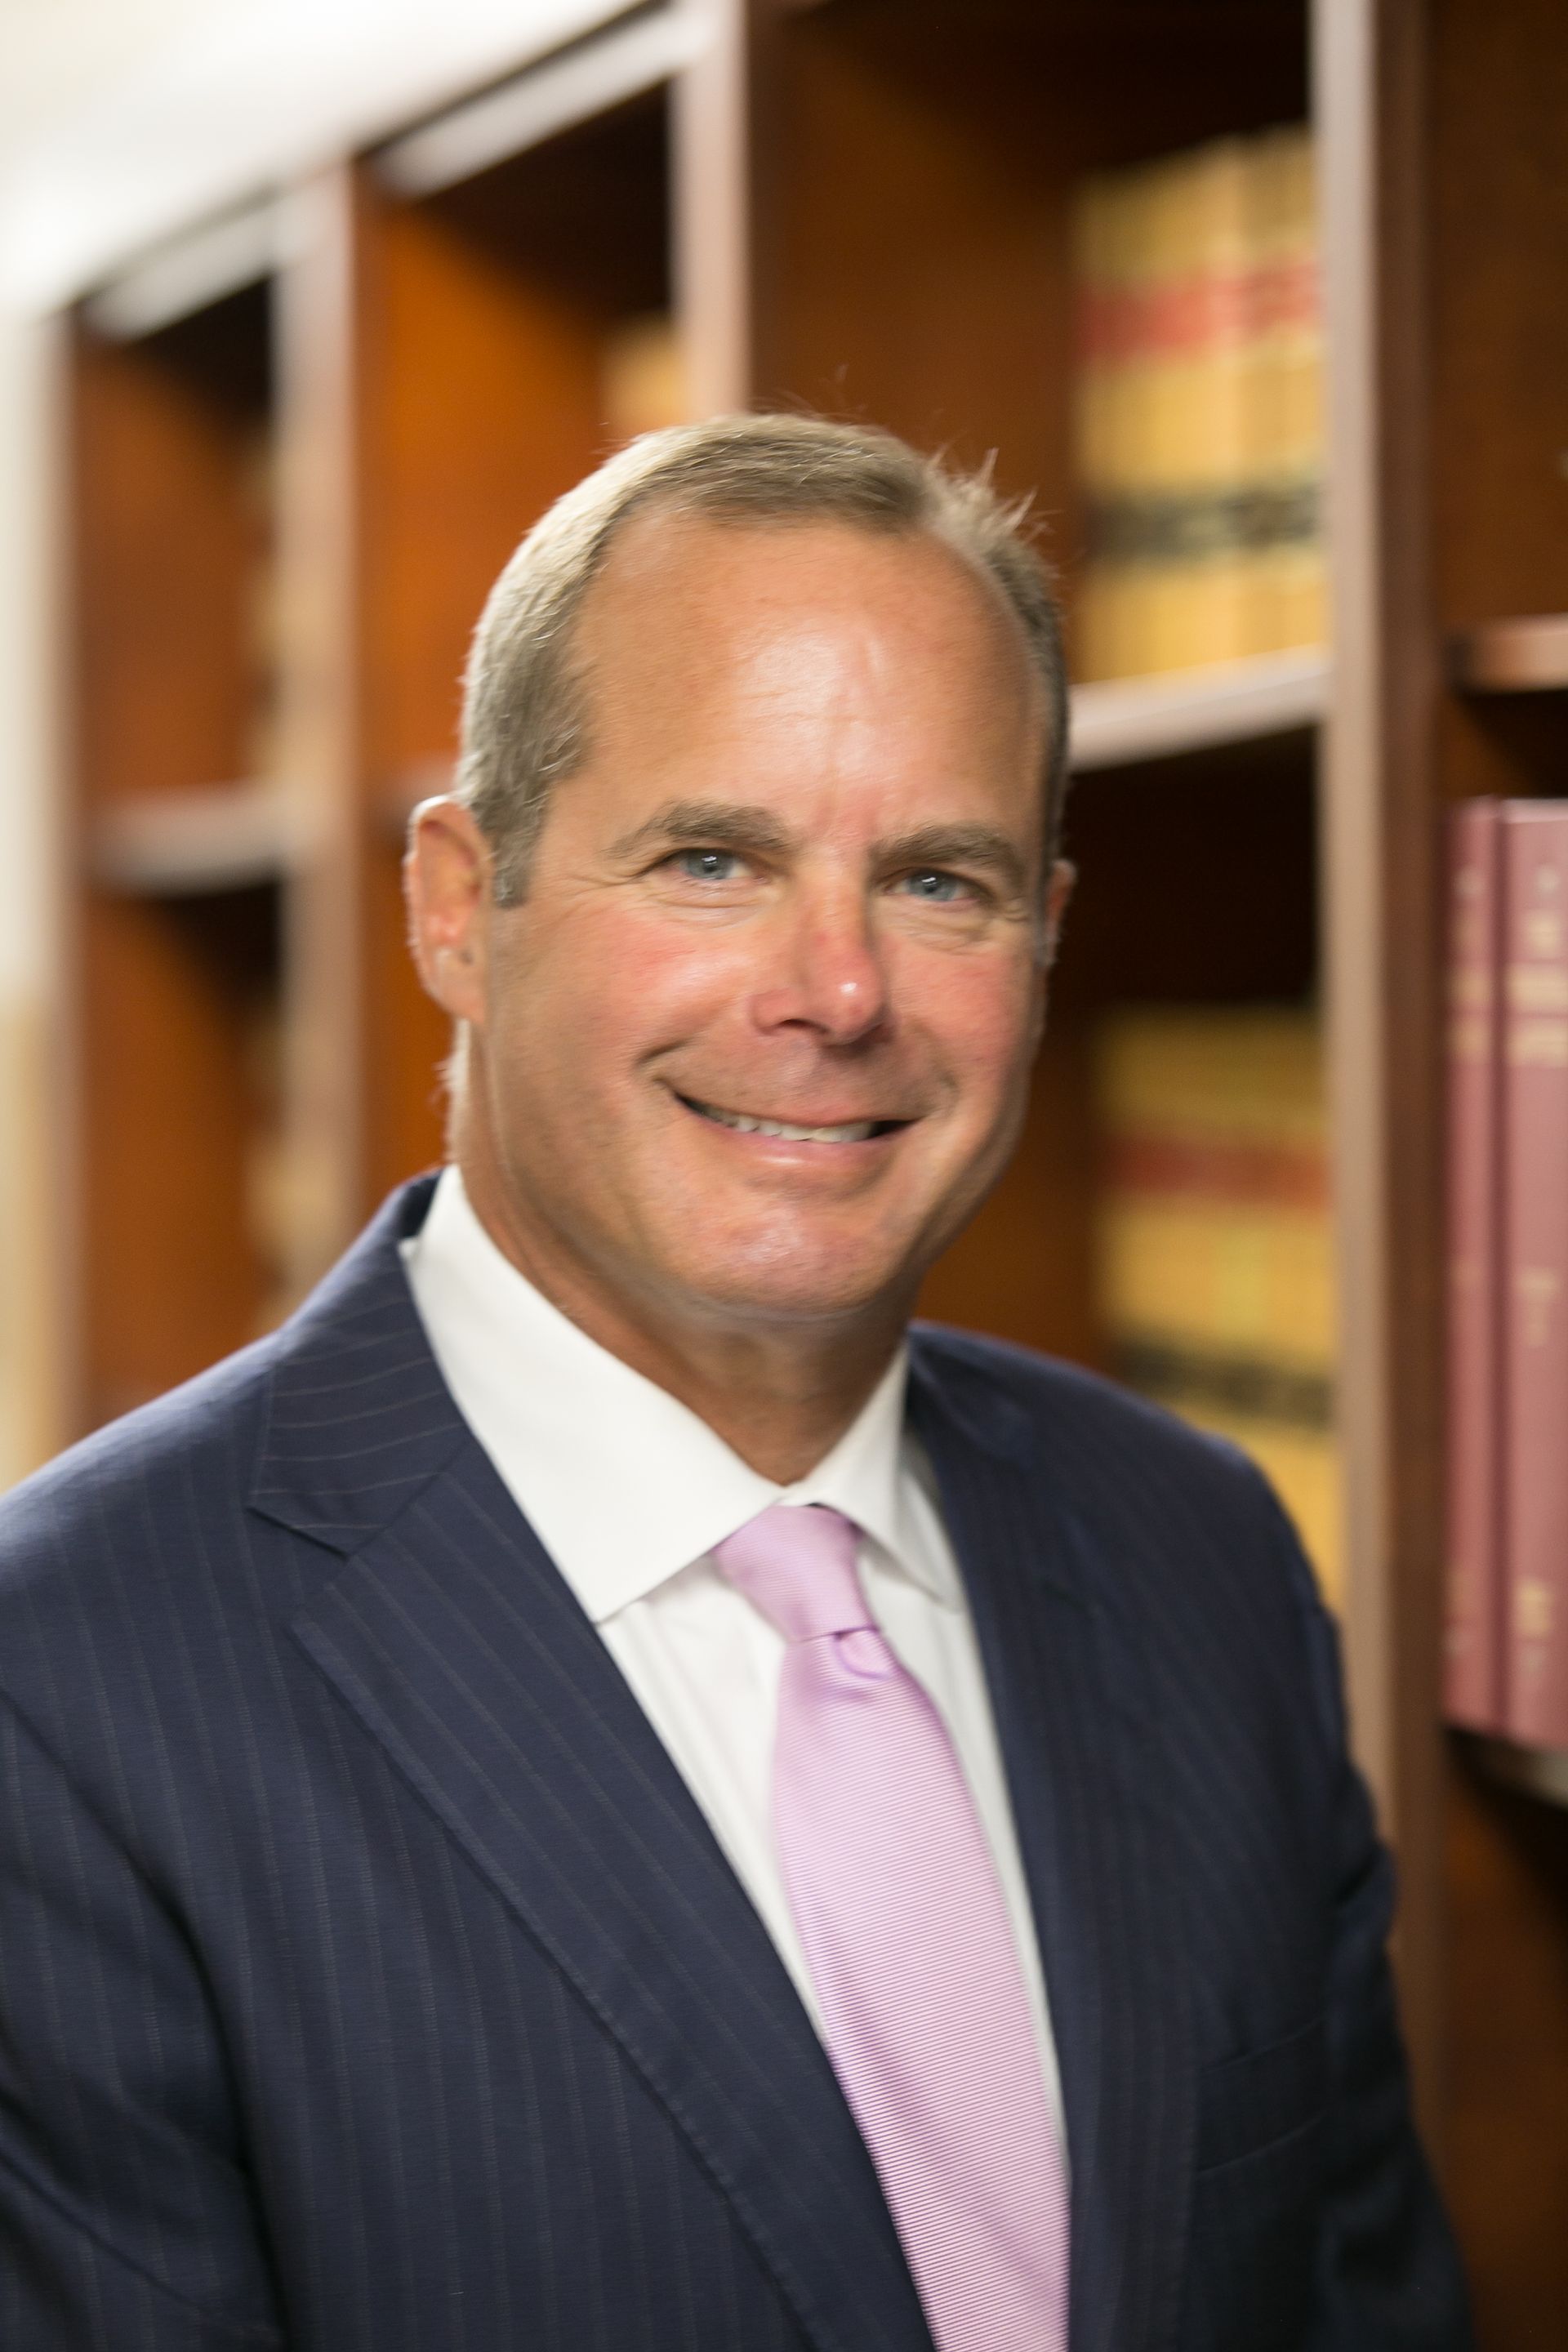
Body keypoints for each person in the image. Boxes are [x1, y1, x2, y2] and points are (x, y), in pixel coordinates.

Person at [0, 414, 1470, 2352]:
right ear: (460, 901)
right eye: (713, 859)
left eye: (941, 880)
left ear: (1043, 938)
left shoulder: (1200, 1552)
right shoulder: (71, 1684)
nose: (841, 992)